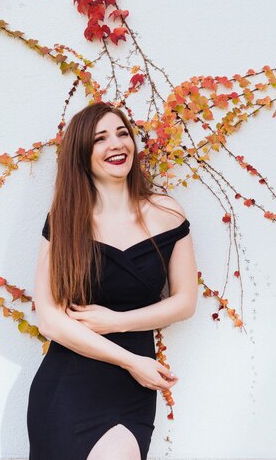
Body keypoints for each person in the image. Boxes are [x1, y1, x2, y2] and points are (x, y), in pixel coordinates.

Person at [27, 101, 198, 460]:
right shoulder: (64, 220)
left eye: (122, 134)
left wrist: (118, 321)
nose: (116, 144)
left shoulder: (167, 212)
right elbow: (50, 320)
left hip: (131, 390)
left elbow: (185, 302)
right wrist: (130, 360)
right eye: (100, 139)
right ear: (82, 154)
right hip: (70, 383)